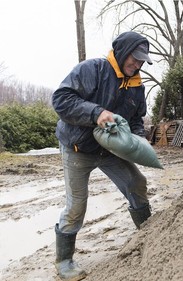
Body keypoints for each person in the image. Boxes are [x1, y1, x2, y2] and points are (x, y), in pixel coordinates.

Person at [52, 31, 153, 281]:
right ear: (121, 52)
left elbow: (137, 119)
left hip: (110, 151)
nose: (137, 64)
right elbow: (61, 100)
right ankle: (64, 260)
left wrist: (139, 139)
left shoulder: (137, 85)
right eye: (134, 58)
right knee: (76, 206)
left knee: (136, 183)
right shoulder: (93, 70)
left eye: (141, 60)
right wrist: (95, 112)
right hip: (78, 148)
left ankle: (149, 235)